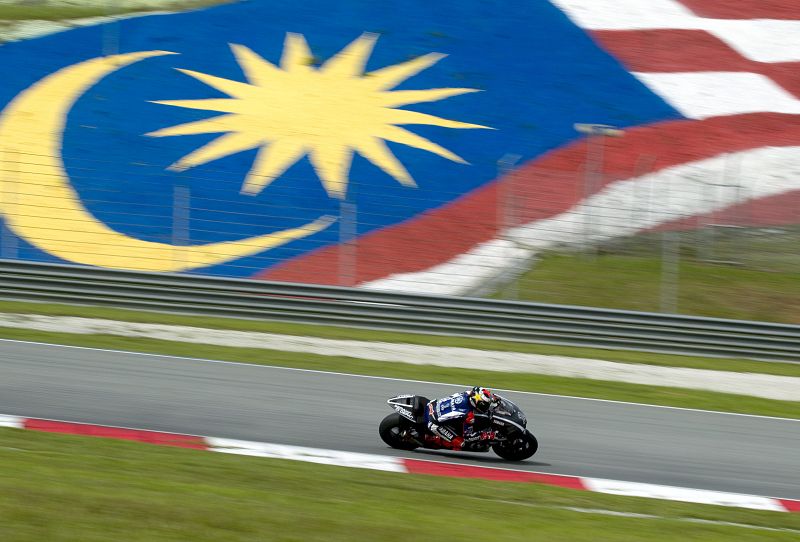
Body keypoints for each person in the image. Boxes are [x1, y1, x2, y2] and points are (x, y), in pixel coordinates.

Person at [425, 386, 499, 449]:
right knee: (461, 443)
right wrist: (484, 435)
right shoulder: (468, 414)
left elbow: (481, 394)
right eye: (485, 405)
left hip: (432, 405)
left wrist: (492, 399)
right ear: (478, 403)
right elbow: (468, 437)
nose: (486, 407)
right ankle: (433, 440)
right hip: (433, 422)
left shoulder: (467, 394)